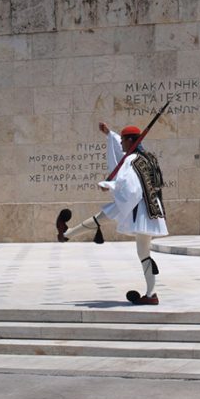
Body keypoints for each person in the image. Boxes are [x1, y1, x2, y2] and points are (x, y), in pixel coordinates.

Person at [56, 122, 169, 306]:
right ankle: (151, 294)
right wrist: (109, 133)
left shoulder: (131, 161)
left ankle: (66, 235)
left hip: (138, 207)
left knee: (136, 247)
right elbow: (121, 149)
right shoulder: (148, 158)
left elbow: (131, 188)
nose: (121, 144)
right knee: (138, 247)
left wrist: (109, 185)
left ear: (130, 140)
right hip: (151, 209)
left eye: (123, 140)